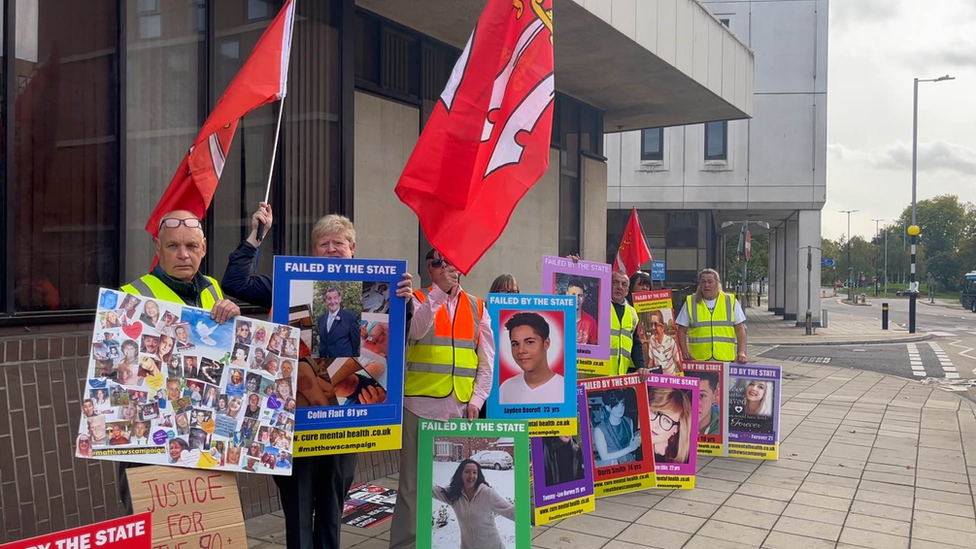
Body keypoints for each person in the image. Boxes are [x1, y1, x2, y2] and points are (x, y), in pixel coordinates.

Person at [222, 204, 413, 549]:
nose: (331, 250)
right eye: (323, 244)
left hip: (345, 423)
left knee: (331, 509)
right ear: (314, 251)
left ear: (353, 249)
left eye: (338, 243)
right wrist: (256, 236)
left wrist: (405, 304)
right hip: (296, 422)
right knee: (297, 508)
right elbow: (236, 282)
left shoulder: (374, 287)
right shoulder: (290, 282)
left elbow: (391, 342)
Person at [116, 210, 240, 513]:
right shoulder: (130, 296)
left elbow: (227, 363)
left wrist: (237, 325)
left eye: (192, 246)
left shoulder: (213, 288)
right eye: (173, 246)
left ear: (204, 248)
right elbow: (118, 383)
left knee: (203, 529)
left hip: (203, 436)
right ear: (158, 248)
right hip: (151, 443)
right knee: (156, 530)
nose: (183, 254)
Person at [391, 248, 494, 549]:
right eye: (437, 262)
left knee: (454, 483)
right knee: (412, 484)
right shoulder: (417, 300)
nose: (444, 267)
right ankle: (406, 544)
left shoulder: (477, 306)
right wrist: (437, 293)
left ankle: (443, 540)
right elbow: (416, 332)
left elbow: (486, 361)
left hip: (459, 409)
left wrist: (477, 399)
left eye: (449, 261)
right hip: (418, 406)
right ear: (429, 269)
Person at [432, 459, 515, 549]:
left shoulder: (487, 493)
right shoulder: (454, 495)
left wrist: (529, 515)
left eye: (475, 472)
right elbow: (431, 490)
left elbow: (509, 511)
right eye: (467, 472)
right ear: (460, 475)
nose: (471, 476)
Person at [675, 268, 748, 363]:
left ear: (717, 283)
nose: (706, 285)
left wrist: (741, 352)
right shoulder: (691, 302)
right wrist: (684, 351)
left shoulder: (730, 301)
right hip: (699, 359)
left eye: (710, 282)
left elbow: (739, 329)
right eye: (703, 282)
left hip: (724, 358)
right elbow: (681, 330)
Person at [498, 312, 563, 404]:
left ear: (546, 344)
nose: (521, 350)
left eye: (529, 342)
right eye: (515, 344)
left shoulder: (566, 388)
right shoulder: (505, 388)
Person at [609, 270, 646, 377]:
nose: (619, 287)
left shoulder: (632, 313)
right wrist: (574, 265)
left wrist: (641, 366)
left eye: (624, 284)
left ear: (627, 291)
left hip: (620, 377)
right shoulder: (597, 306)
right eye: (615, 282)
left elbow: (636, 343)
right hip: (596, 378)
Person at [592, 390, 640, 467]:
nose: (621, 409)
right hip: (613, 464)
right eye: (616, 406)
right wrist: (630, 449)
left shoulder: (628, 421)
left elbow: (631, 441)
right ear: (608, 408)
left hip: (630, 462)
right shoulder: (599, 429)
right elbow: (604, 457)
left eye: (622, 405)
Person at [648, 387, 692, 464]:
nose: (655, 425)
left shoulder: (684, 462)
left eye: (667, 420)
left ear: (676, 429)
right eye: (654, 412)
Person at [316, 287, 360, 358]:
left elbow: (355, 341)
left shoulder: (349, 317)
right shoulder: (321, 319)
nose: (332, 301)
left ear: (340, 299)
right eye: (329, 298)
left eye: (335, 298)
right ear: (326, 301)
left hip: (343, 361)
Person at [645, 310, 682, 376]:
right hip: (659, 381)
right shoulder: (652, 340)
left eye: (655, 324)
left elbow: (678, 362)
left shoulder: (670, 342)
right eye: (651, 324)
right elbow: (651, 363)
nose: (653, 328)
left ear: (662, 327)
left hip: (671, 379)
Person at [562, 278, 597, 345]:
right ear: (567, 295)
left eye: (580, 295)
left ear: (583, 297)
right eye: (573, 295)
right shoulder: (559, 319)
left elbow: (594, 352)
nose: (577, 299)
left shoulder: (591, 322)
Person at [685, 371, 720, 435]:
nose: (694, 404)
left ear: (715, 394)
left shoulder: (725, 429)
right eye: (688, 395)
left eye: (701, 396)